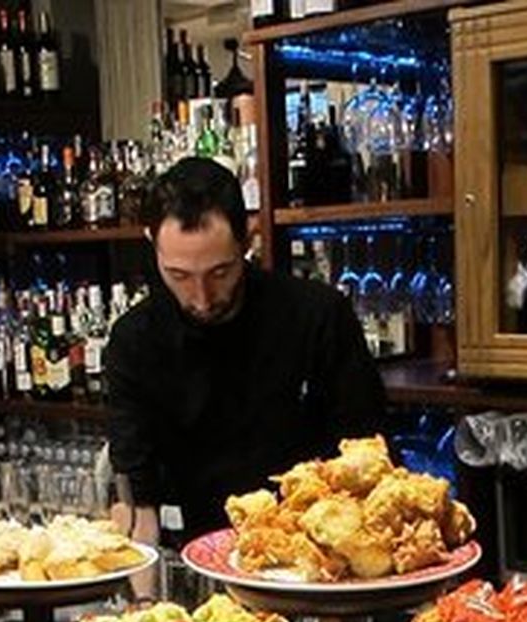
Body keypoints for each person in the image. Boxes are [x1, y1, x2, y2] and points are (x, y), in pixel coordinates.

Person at [105, 157, 385, 542]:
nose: (201, 299)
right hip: (197, 555)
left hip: (317, 559)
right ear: (152, 244)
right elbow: (139, 504)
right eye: (179, 276)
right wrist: (145, 600)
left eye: (220, 272)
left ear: (248, 240)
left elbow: (368, 463)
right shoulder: (134, 341)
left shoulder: (317, 316)